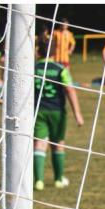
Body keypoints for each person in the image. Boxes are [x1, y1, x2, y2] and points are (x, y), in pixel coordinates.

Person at [32, 35, 84, 191]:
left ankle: (39, 181)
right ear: (55, 51)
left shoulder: (33, 68)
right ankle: (58, 179)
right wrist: (77, 114)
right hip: (57, 112)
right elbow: (69, 89)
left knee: (39, 144)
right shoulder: (60, 69)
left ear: (38, 51)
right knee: (58, 144)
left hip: (38, 111)